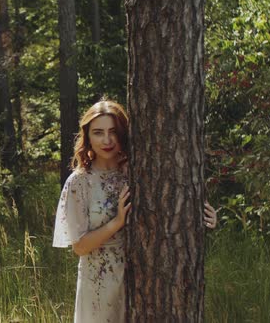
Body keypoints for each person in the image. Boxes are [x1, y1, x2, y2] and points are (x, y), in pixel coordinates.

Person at [52, 99, 218, 323]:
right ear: (88, 137)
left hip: (143, 279)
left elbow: (172, 204)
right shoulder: (80, 182)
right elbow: (80, 247)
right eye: (98, 132)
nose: (107, 140)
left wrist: (200, 215)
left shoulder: (140, 170)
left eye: (113, 131)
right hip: (98, 285)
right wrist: (117, 222)